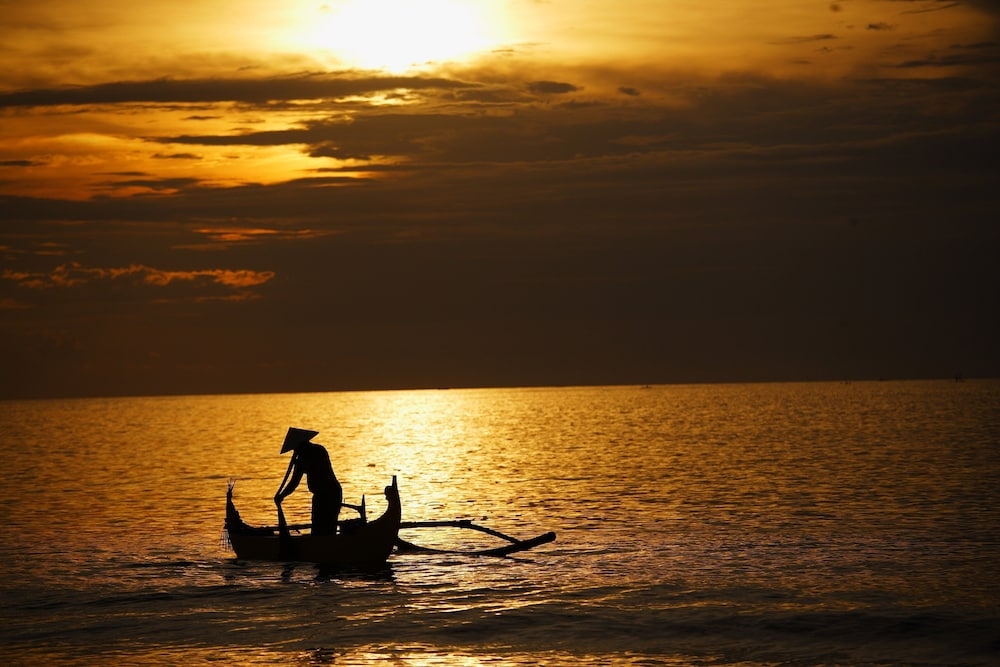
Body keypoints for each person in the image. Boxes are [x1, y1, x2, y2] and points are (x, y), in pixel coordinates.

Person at [274, 427, 343, 536]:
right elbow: (295, 481)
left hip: (329, 494)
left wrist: (281, 496)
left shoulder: (310, 455)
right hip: (325, 495)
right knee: (323, 529)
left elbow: (294, 483)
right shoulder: (317, 450)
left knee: (324, 529)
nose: (295, 451)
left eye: (295, 448)